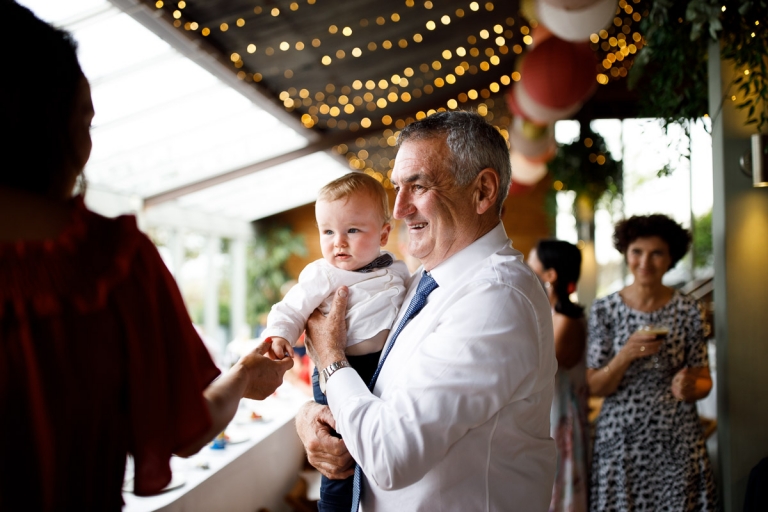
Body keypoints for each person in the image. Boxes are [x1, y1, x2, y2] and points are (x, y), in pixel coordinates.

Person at [0, 2, 293, 510]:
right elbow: (183, 429)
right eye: (85, 121)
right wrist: (244, 375)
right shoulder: (110, 263)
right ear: (57, 127)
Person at [296, 110, 558, 511]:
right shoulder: (423, 280)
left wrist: (329, 359)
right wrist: (312, 416)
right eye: (398, 187)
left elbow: (390, 456)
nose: (399, 209)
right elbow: (378, 393)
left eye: (417, 186)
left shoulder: (495, 298)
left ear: (483, 191)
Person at [264, 172, 410, 512]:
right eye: (327, 232)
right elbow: (290, 307)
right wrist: (281, 335)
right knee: (339, 454)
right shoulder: (324, 274)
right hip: (338, 371)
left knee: (374, 445)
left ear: (384, 233)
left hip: (381, 369)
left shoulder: (398, 270)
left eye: (352, 230)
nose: (338, 242)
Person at [586, 214, 716, 511]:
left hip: (677, 440)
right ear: (626, 253)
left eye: (656, 253)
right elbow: (595, 385)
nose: (645, 262)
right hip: (621, 441)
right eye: (637, 252)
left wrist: (689, 387)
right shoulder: (605, 310)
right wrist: (625, 355)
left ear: (670, 258)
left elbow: (703, 379)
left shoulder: (689, 310)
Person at [527, 240, 589, 512]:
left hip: (562, 415)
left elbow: (545, 369)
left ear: (550, 275)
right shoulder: (549, 314)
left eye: (532, 263)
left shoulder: (567, 319)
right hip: (548, 410)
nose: (526, 268)